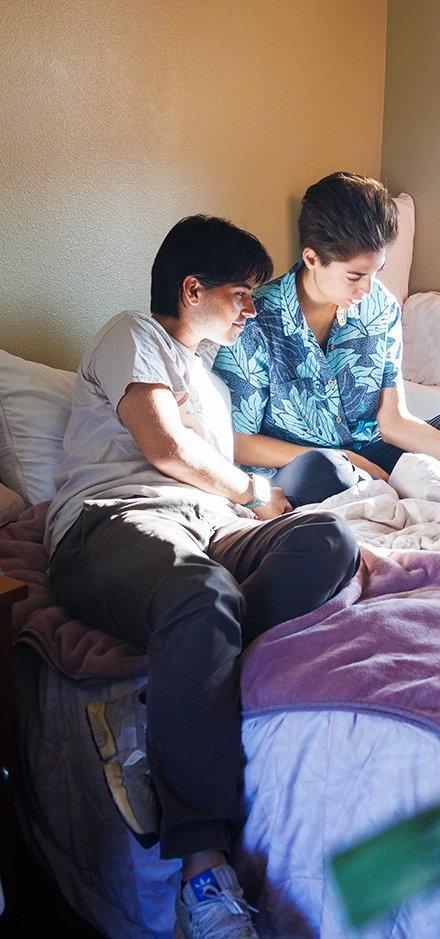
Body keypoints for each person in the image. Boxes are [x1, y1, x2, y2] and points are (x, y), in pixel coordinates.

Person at [44, 215, 360, 939]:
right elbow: (164, 445)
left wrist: (264, 513)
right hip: (112, 523)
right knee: (201, 590)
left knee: (328, 540)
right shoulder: (134, 333)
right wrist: (254, 493)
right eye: (242, 293)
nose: (252, 308)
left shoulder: (212, 386)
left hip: (202, 530)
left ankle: (185, 670)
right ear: (192, 290)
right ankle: (203, 868)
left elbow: (213, 479)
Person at [213, 171, 440, 506]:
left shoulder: (379, 306)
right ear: (312, 258)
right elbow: (241, 442)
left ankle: (401, 481)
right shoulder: (254, 318)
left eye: (376, 272)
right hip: (305, 466)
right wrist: (346, 458)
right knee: (325, 470)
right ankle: (413, 482)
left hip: (377, 451)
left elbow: (394, 421)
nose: (367, 289)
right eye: (355, 276)